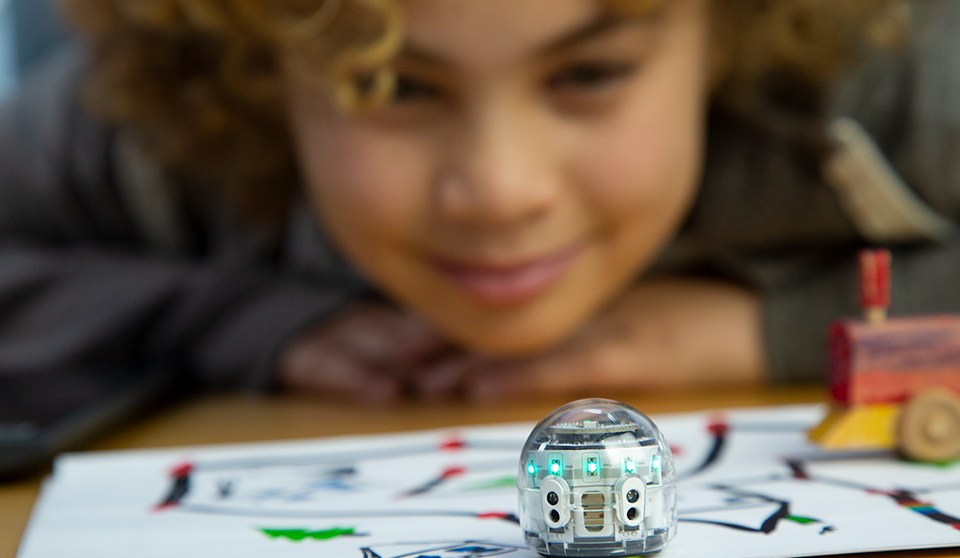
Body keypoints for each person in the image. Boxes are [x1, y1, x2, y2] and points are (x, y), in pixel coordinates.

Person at [0, 0, 957, 407]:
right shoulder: (162, 130)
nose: (501, 193)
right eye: (388, 86)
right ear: (253, 72)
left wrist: (765, 331)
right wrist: (238, 321)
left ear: (726, 34)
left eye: (588, 73)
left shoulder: (902, 86)